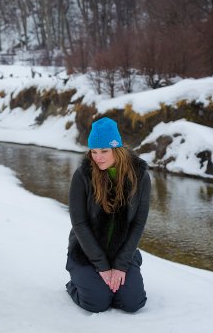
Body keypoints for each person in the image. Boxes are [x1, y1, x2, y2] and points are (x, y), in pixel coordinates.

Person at [65, 117, 151, 313]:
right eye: (94, 152)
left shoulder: (140, 176)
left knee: (133, 303)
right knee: (96, 303)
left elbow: (138, 223)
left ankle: (107, 287)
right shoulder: (83, 175)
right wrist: (102, 267)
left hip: (122, 251)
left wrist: (120, 266)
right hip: (87, 251)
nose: (98, 157)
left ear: (117, 149)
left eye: (104, 151)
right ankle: (74, 284)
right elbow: (79, 223)